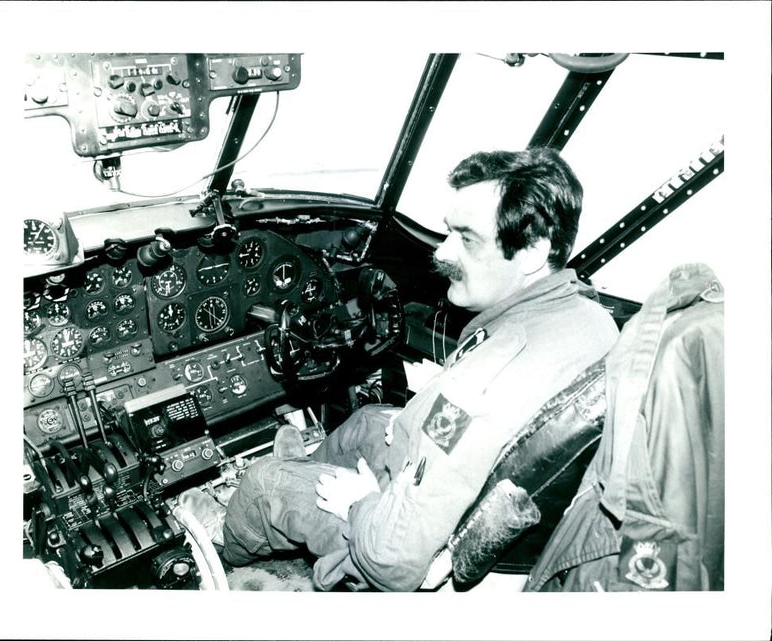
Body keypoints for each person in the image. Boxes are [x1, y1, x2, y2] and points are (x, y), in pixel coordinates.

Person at [180, 147, 620, 591]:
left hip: (393, 542)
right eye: (448, 232)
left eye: (466, 239)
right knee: (369, 420)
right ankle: (301, 473)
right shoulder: (592, 318)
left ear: (531, 252)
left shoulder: (477, 389)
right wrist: (420, 417)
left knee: (260, 483)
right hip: (481, 500)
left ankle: (226, 541)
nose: (442, 253)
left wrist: (362, 503)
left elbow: (392, 559)